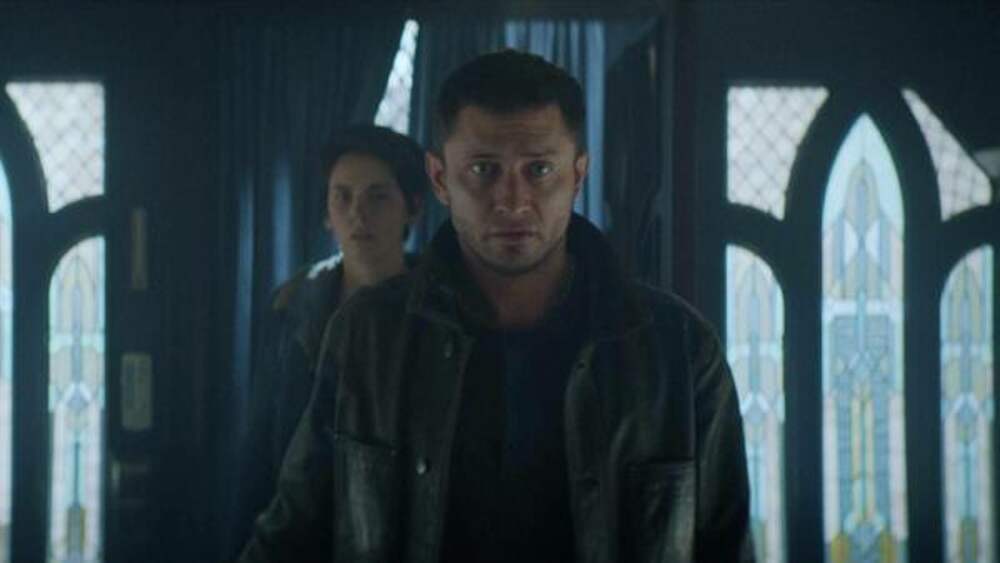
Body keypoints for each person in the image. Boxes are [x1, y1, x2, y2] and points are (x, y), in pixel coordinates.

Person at [240, 50, 753, 562]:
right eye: (483, 169)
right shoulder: (367, 337)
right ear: (440, 179)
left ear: (578, 176)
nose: (512, 200)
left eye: (539, 169)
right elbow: (291, 537)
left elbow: (724, 547)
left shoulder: (678, 350)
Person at [229, 124, 427, 558]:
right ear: (326, 210)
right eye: (343, 196)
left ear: (412, 207)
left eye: (377, 197)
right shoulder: (293, 309)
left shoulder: (438, 314)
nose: (358, 214)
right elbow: (262, 446)